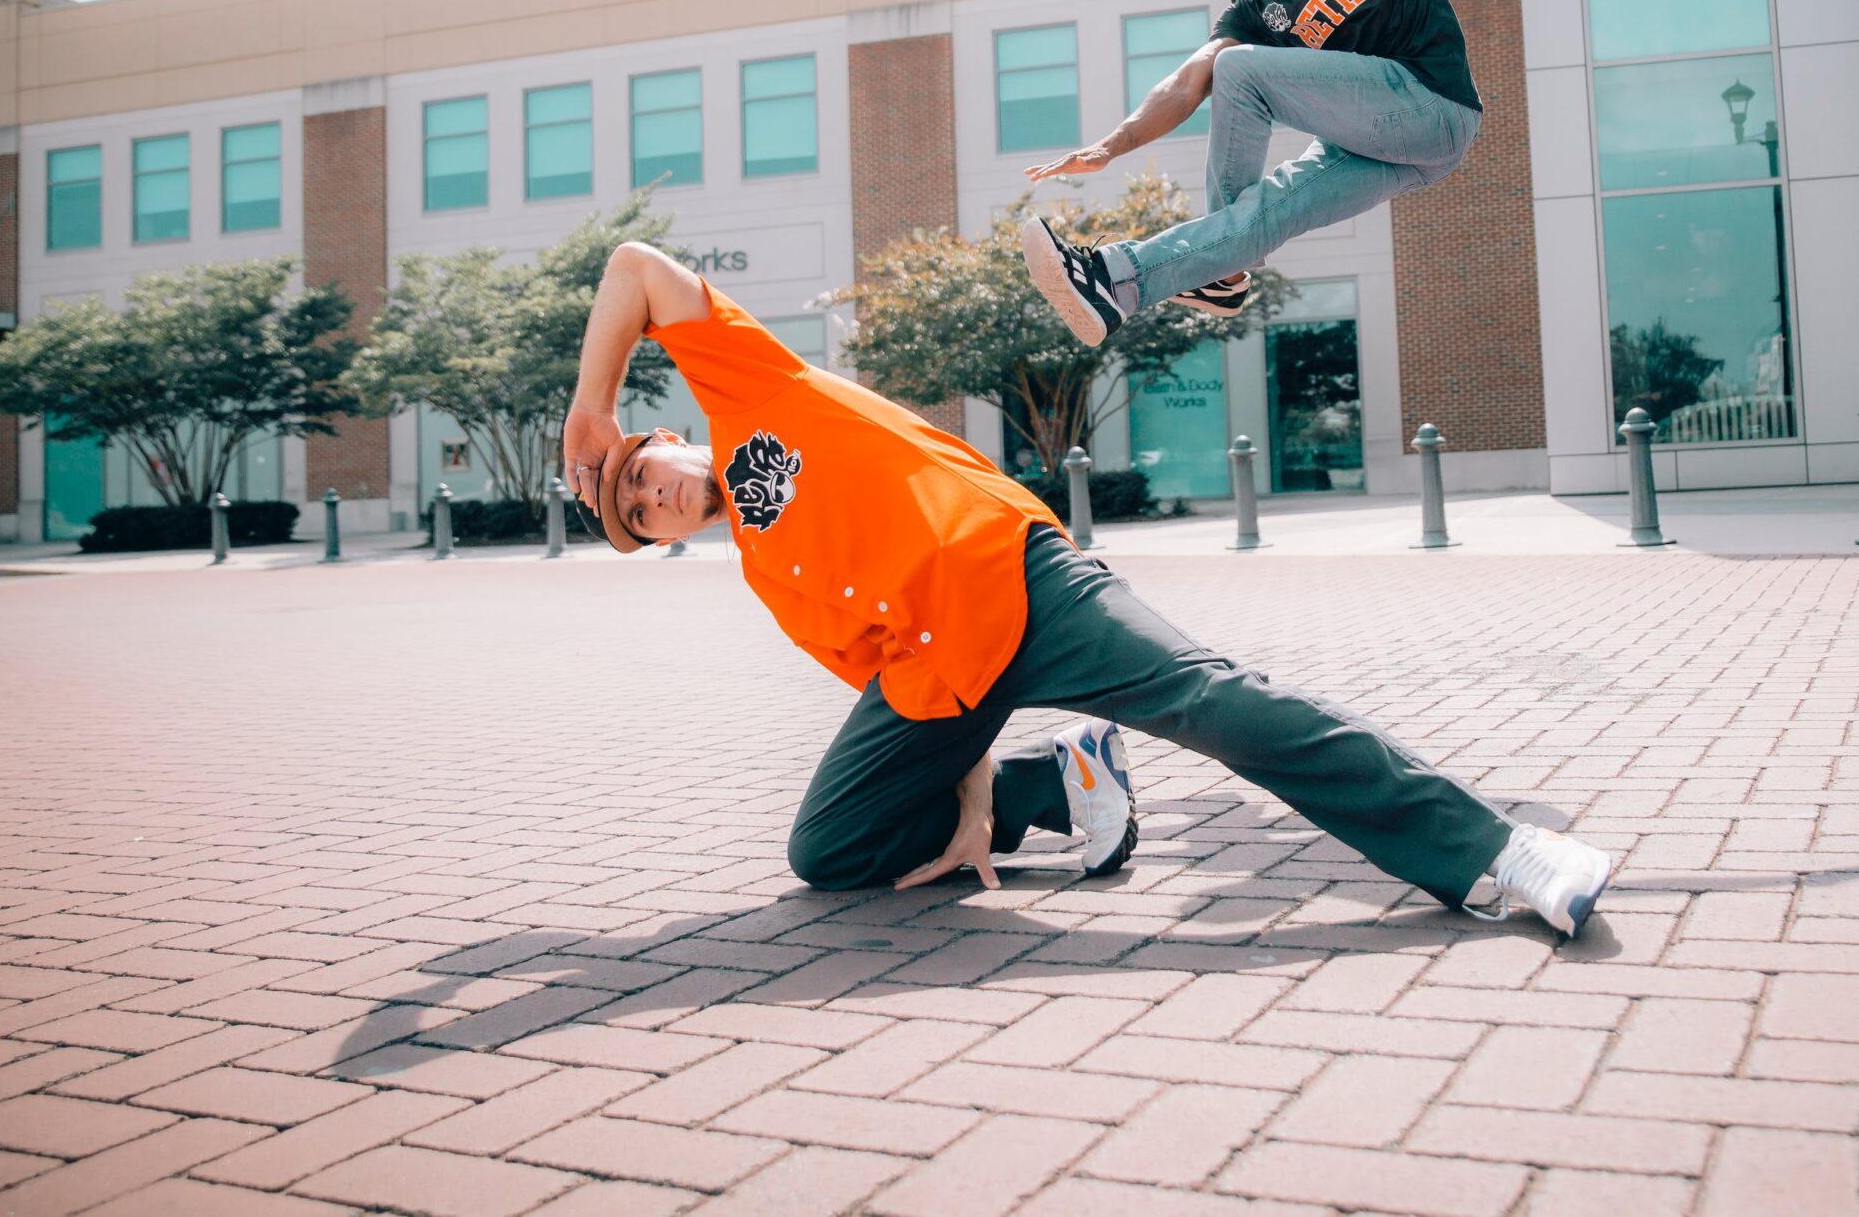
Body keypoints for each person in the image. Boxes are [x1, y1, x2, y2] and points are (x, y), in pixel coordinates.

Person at [561, 239, 1616, 935]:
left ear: (670, 441)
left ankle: (1504, 851)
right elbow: (905, 677)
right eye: (637, 512)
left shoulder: (756, 389)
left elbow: (634, 269)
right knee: (827, 848)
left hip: (1023, 581)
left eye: (644, 474)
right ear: (658, 539)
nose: (651, 496)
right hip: (954, 675)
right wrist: (977, 796)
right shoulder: (768, 575)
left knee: (1212, 700)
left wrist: (588, 408)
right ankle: (1061, 785)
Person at [1018, 0, 1670, 344]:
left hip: (1435, 104)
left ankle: (1223, 264)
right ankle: (1119, 283)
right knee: (1265, 204)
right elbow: (1188, 79)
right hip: (1399, 154)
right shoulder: (1254, 10)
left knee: (1243, 72)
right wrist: (1110, 144)